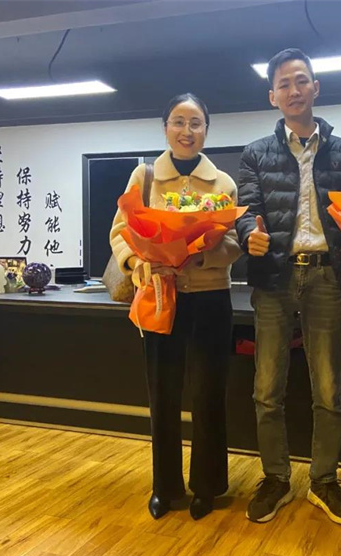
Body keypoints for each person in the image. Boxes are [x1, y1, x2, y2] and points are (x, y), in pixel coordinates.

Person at [235, 48, 341, 526]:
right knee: (266, 387)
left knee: (329, 387)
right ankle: (276, 478)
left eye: (301, 80)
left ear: (316, 87)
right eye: (284, 84)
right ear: (272, 96)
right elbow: (246, 212)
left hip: (327, 277)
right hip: (274, 277)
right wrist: (247, 235)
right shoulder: (255, 153)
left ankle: (324, 480)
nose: (293, 90)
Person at [110, 93, 242, 521]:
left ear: (207, 130)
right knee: (162, 394)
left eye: (196, 123)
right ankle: (164, 487)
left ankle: (207, 486)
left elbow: (234, 243)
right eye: (179, 122)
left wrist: (203, 255)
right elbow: (120, 231)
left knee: (208, 394)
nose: (187, 131)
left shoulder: (223, 183)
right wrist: (136, 264)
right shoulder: (145, 176)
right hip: (162, 295)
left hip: (210, 297)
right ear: (165, 127)